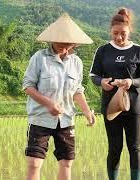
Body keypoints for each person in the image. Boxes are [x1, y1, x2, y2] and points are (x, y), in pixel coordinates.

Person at [23, 13, 96, 180]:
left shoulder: (76, 62)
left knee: (66, 162)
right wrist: (48, 103)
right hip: (40, 118)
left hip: (66, 119)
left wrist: (86, 112)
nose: (65, 46)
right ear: (52, 39)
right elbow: (28, 86)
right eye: (61, 42)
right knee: (34, 162)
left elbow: (77, 90)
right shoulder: (39, 58)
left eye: (69, 43)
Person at [89, 7, 140, 180]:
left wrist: (132, 82)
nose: (119, 37)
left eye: (123, 33)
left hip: (134, 105)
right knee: (115, 147)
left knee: (135, 147)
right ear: (110, 30)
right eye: (115, 33)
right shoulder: (103, 51)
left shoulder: (138, 51)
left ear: (129, 30)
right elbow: (93, 75)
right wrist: (101, 82)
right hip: (111, 106)